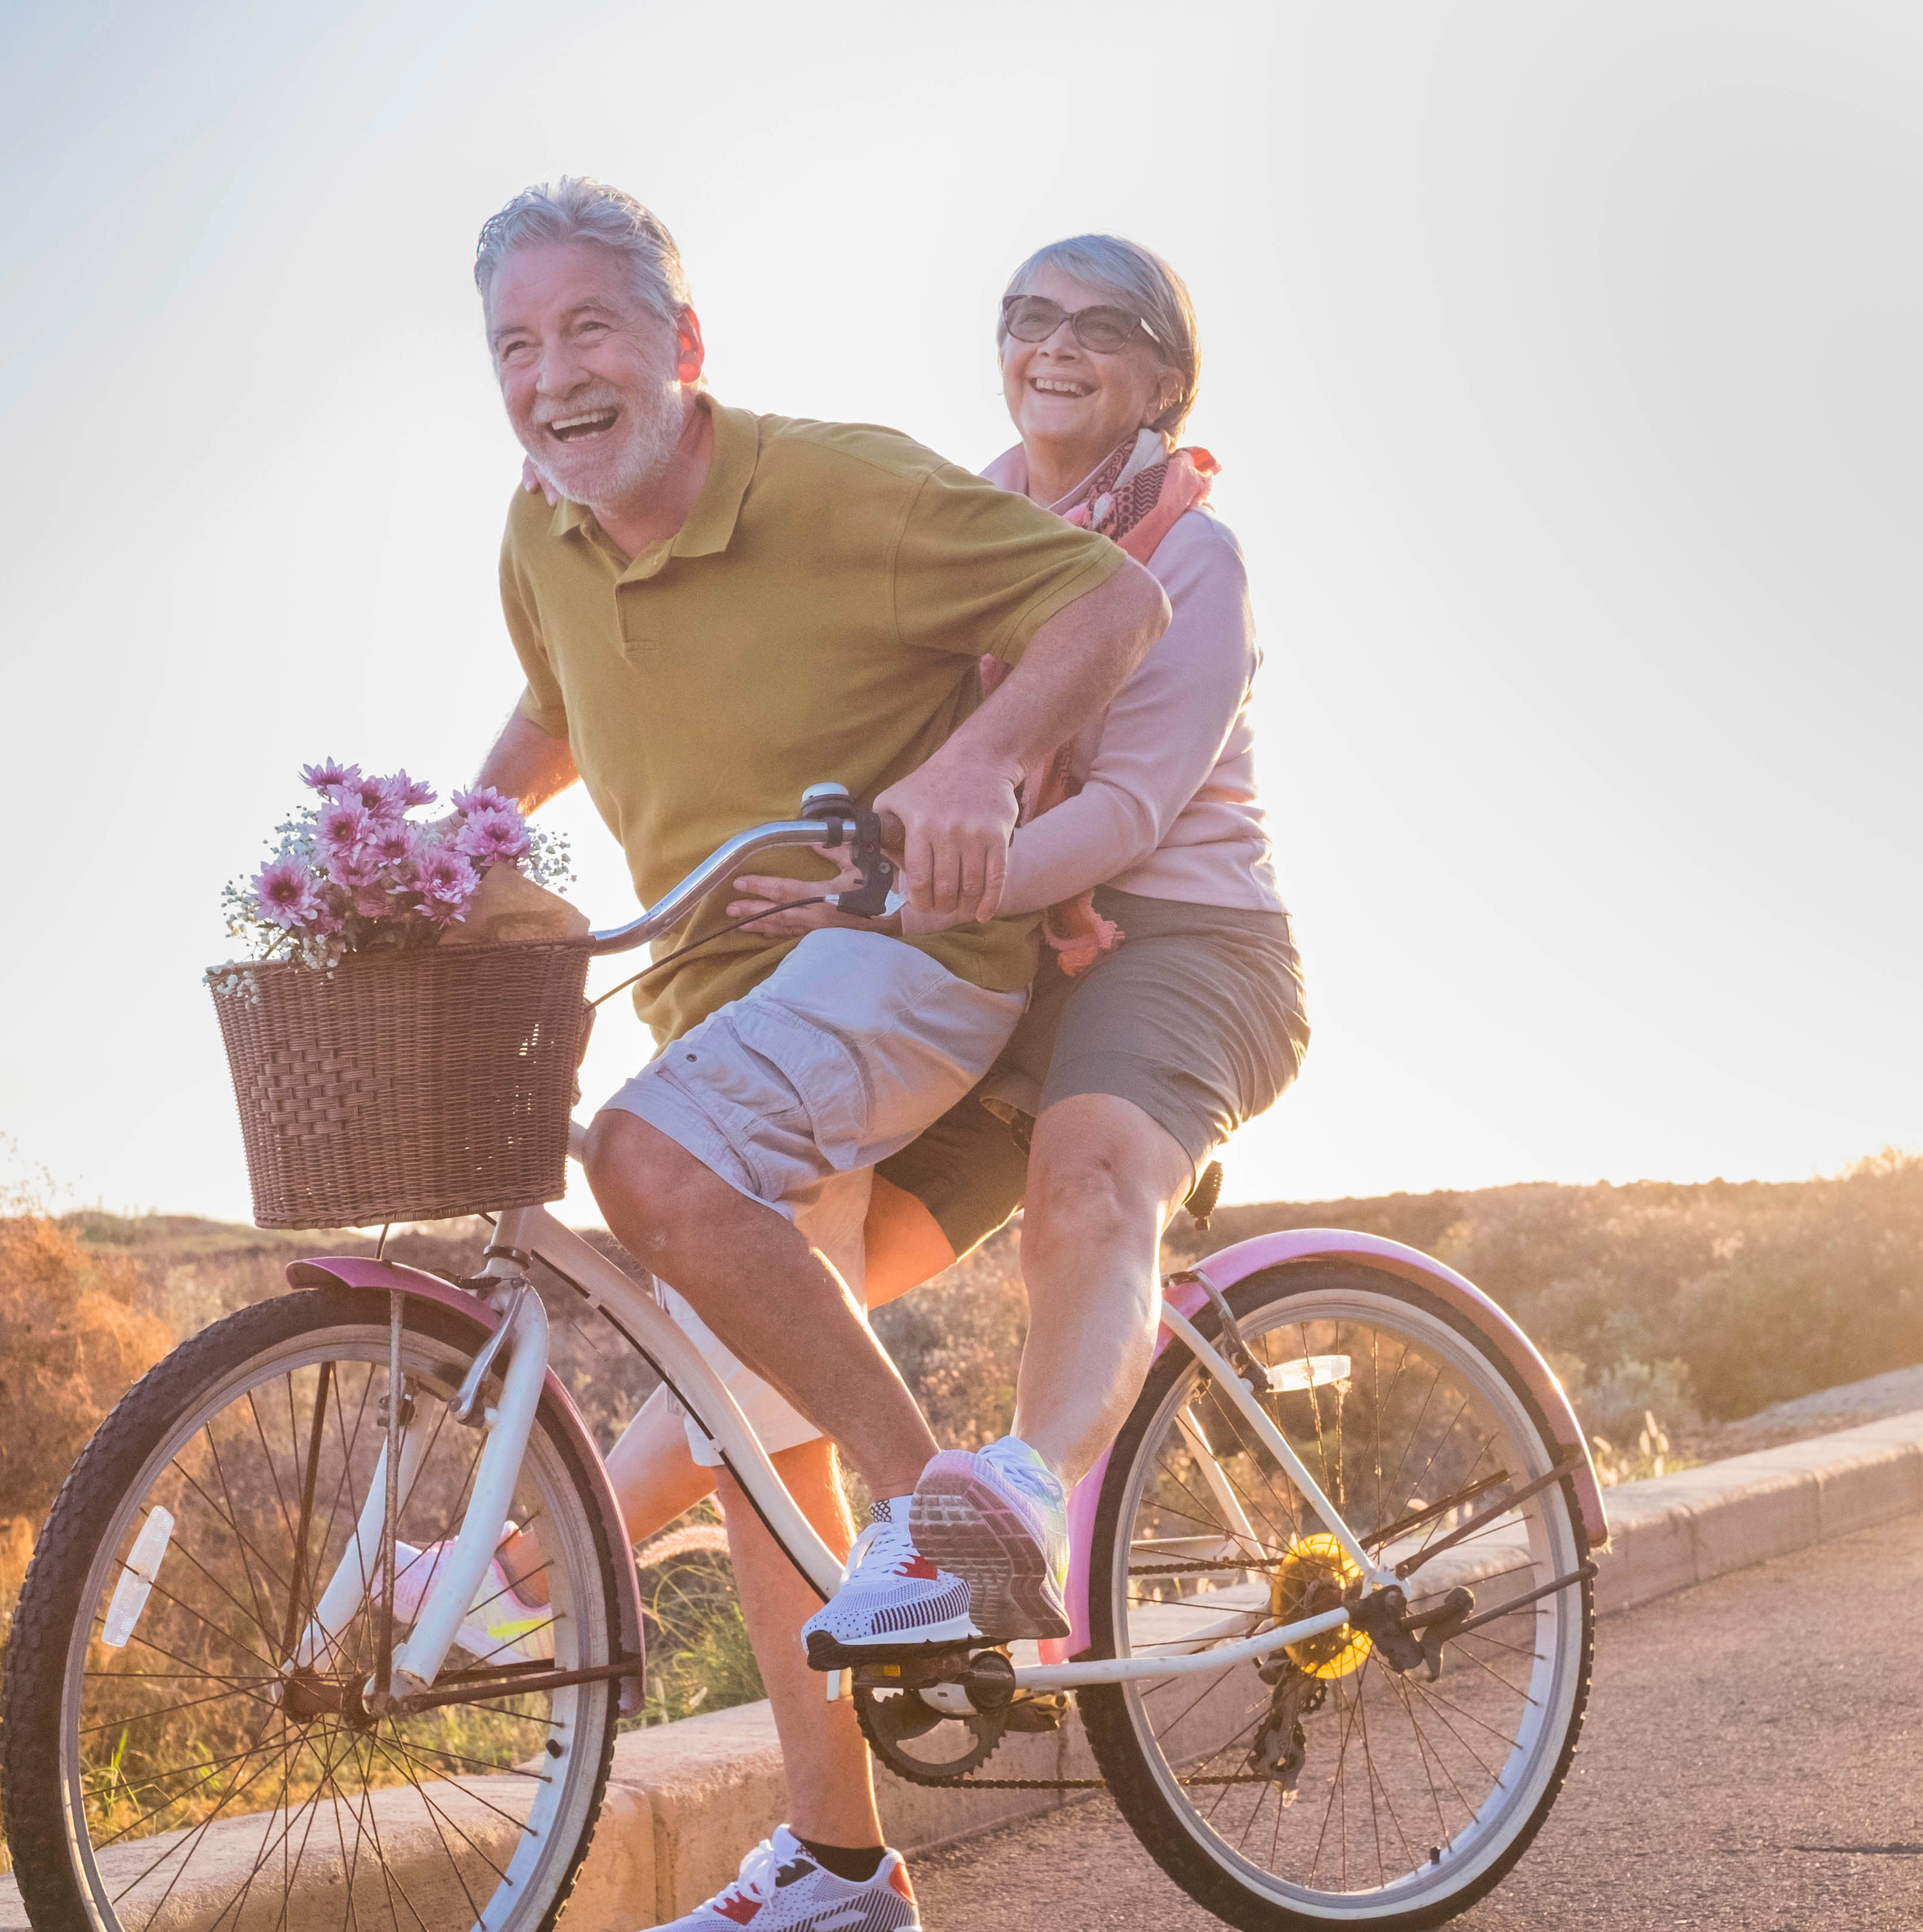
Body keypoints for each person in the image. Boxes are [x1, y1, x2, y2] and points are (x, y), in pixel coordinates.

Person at [465, 179, 1168, 1932]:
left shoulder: (834, 483)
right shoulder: (539, 536)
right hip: (723, 997)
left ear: (682, 347)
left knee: (643, 1156)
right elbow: (558, 708)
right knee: (755, 1429)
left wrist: (986, 765)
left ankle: (943, 1517)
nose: (555, 377)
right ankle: (844, 1865)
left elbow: (1107, 606)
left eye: (591, 330)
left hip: (906, 957)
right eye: (516, 346)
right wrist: (449, 842)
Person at [604, 232, 1303, 1932]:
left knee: (1086, 1185)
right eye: (1029, 320)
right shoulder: (976, 512)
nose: (1057, 348)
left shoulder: (1189, 556)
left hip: (1179, 949)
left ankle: (1010, 1506)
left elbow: (1127, 821)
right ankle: (558, 1577)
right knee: (777, 1301)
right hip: (994, 964)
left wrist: (913, 893)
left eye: (1104, 328)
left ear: (1164, 378)